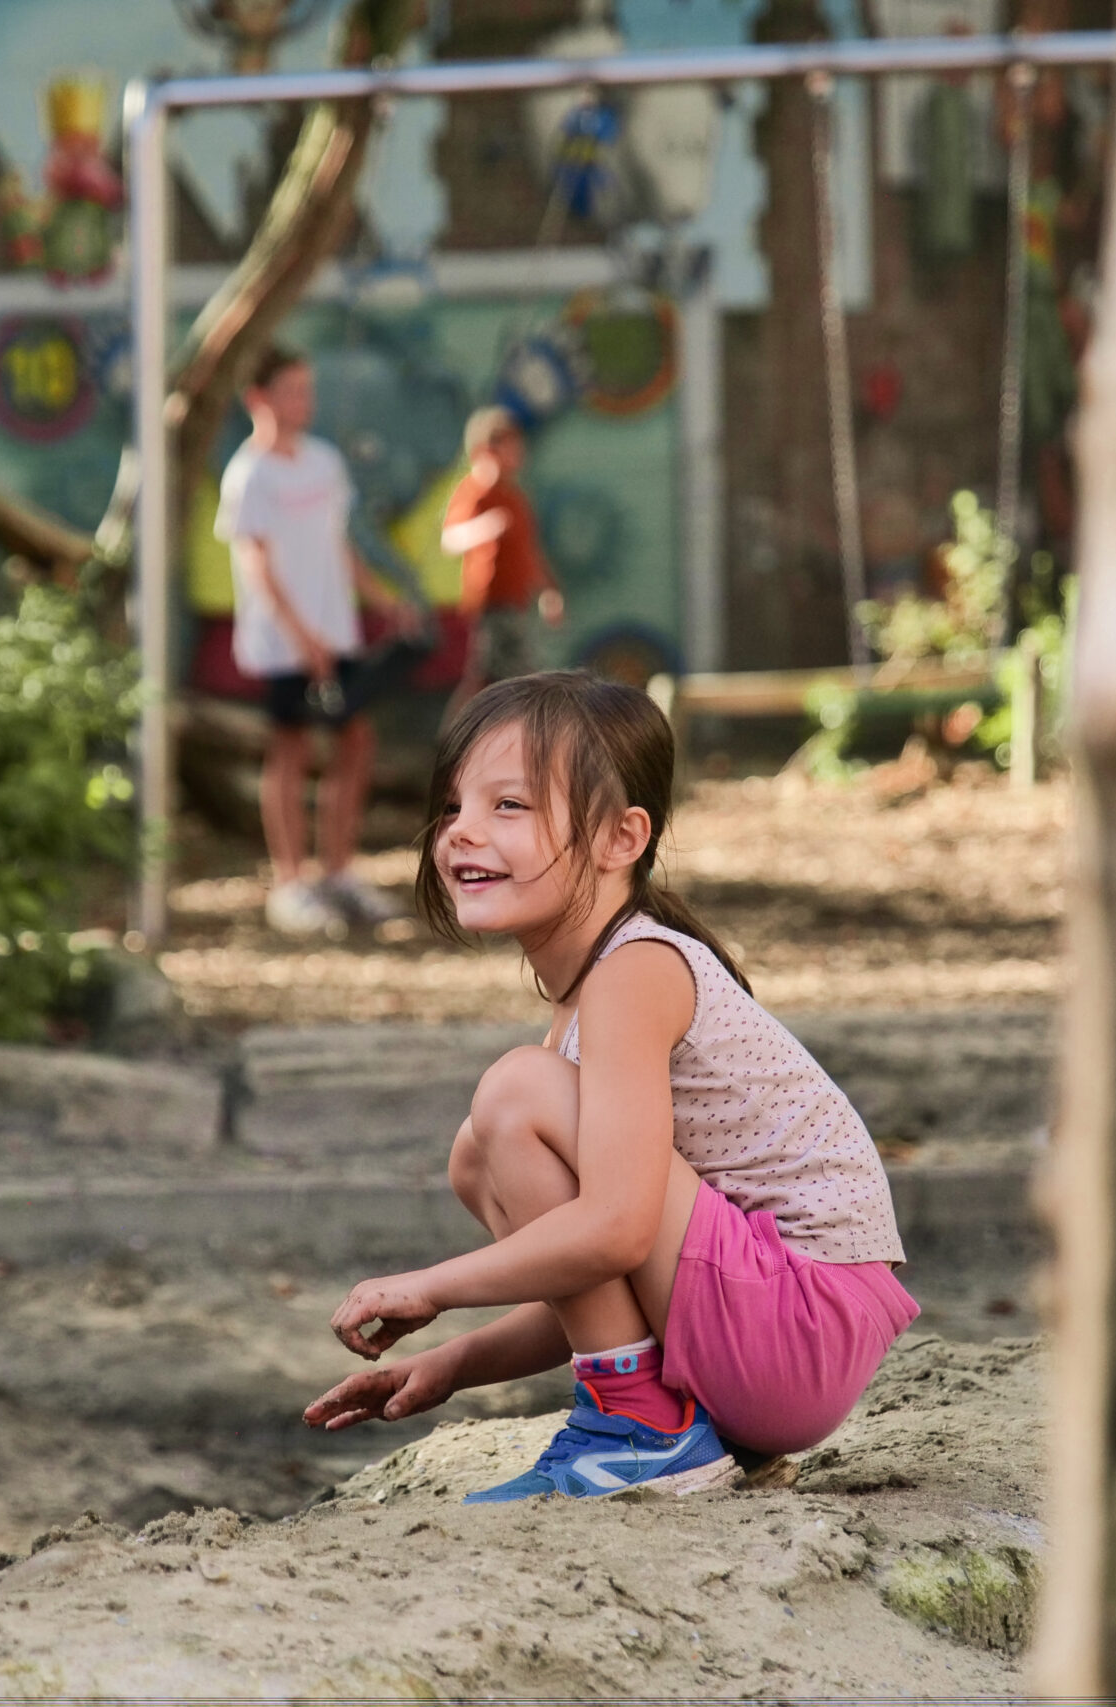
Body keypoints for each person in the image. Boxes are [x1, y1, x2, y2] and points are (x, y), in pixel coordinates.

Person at [301, 673, 918, 1500]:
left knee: (517, 1097)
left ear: (621, 837)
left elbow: (618, 1232)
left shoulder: (636, 970)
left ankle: (640, 1430)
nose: (460, 832)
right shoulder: (589, 992)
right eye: (452, 806)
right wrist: (452, 1363)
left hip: (802, 1322)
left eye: (508, 805)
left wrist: (431, 1287)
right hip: (770, 1335)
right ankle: (653, 1420)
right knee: (478, 1153)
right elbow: (599, 1291)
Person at [216, 346, 419, 935]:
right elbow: (256, 562)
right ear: (258, 398)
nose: (303, 401)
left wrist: (383, 600)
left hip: (337, 634)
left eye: (307, 389)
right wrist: (303, 639)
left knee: (355, 740)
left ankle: (339, 874)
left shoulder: (324, 463)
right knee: (292, 748)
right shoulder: (249, 474)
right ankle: (290, 884)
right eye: (291, 390)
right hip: (284, 644)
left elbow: (339, 545)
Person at [439, 409, 563, 722]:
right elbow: (451, 539)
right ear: (486, 450)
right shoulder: (476, 491)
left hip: (515, 603)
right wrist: (483, 528)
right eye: (511, 447)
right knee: (505, 678)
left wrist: (548, 590)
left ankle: (466, 736)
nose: (519, 455)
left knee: (492, 679)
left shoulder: (515, 496)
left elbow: (530, 550)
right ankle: (457, 738)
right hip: (489, 607)